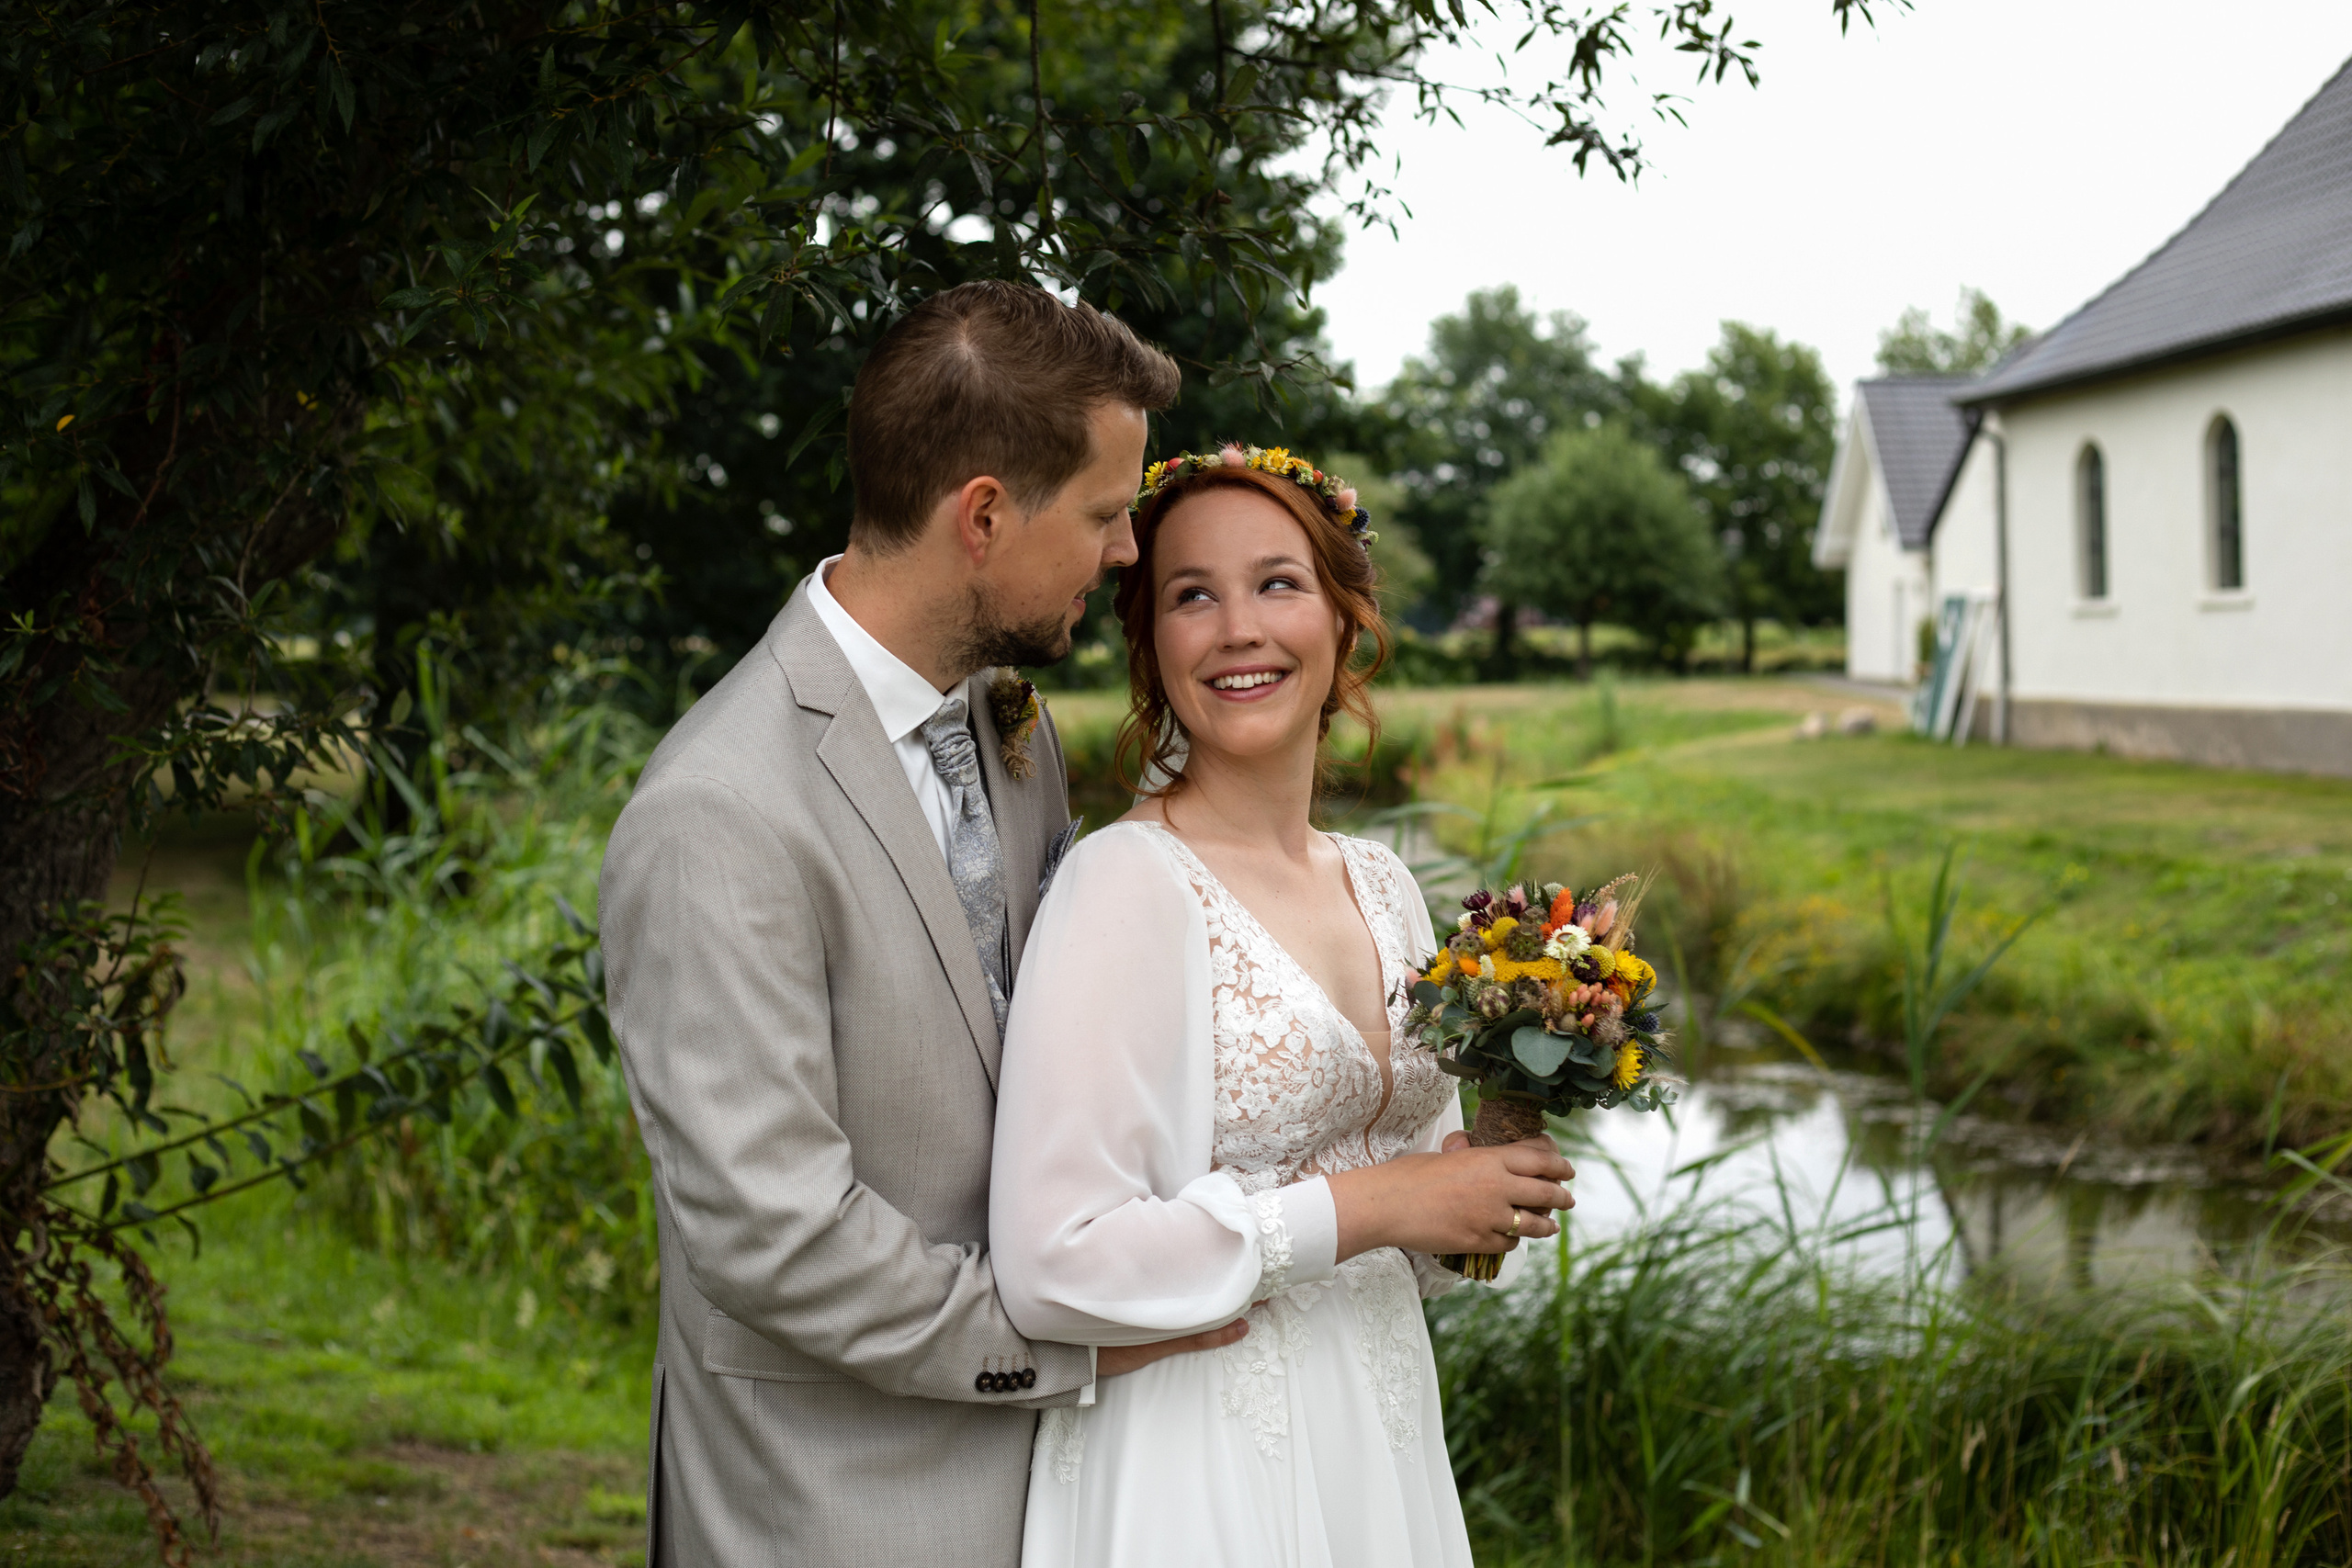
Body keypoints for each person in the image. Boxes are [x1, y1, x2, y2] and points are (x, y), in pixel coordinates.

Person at [599, 282, 1250, 1568]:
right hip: (832, 1500)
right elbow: (778, 1236)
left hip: (1057, 1493)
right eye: (1105, 514)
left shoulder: (1006, 723)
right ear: (985, 516)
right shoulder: (714, 813)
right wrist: (1079, 1344)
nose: (1127, 553)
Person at [989, 446, 1578, 1567]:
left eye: (1276, 583)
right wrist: (1386, 1203)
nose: (1237, 629)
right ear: (1151, 644)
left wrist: (1481, 1190)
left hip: (1377, 1435)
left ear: (1344, 622)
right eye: (1191, 596)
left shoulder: (1384, 883)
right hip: (1198, 1457)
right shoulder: (1124, 883)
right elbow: (1055, 1261)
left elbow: (1409, 1215)